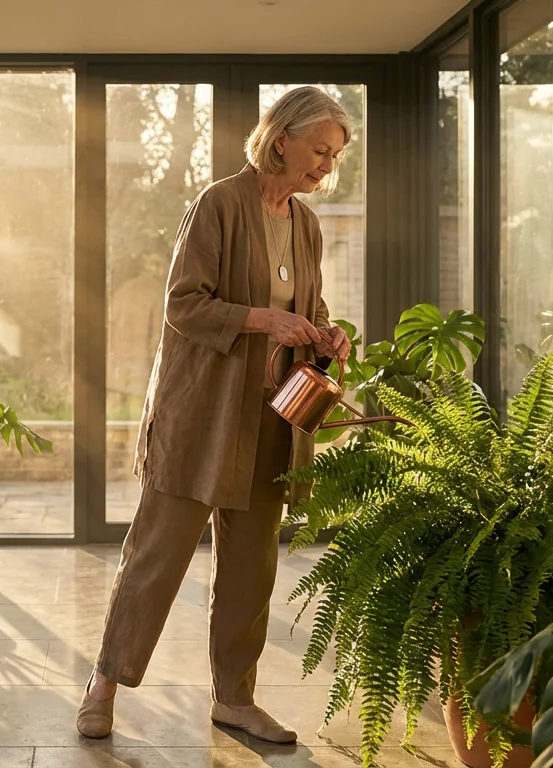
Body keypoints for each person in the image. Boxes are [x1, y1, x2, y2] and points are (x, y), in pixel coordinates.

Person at [76, 86, 354, 743]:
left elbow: (308, 308)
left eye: (336, 156)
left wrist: (325, 332)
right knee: (157, 556)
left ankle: (235, 698)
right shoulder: (219, 204)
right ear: (281, 137)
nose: (326, 166)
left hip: (270, 421)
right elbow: (184, 304)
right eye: (319, 150)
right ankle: (104, 684)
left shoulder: (306, 224)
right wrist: (266, 320)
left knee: (252, 565)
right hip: (202, 417)